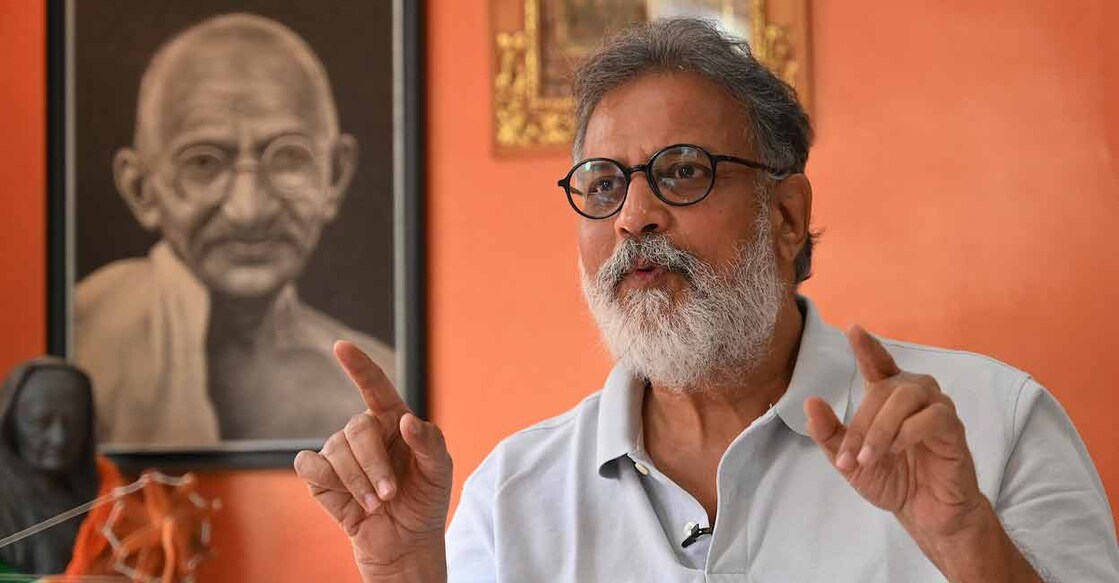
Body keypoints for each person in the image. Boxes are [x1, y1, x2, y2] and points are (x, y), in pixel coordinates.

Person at [293, 19, 1119, 581]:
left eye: (681, 170)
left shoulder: (992, 422)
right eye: (603, 183)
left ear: (786, 216)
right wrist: (407, 571)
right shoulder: (512, 496)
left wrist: (965, 542)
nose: (633, 216)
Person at [75, 14, 395, 446]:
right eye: (204, 163)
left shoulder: (380, 380)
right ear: (140, 189)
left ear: (335, 175)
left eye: (287, 157)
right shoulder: (92, 335)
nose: (250, 210)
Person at [0, 358, 99, 575]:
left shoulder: (105, 495)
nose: (59, 438)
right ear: (11, 424)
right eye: (41, 423)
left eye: (74, 423)